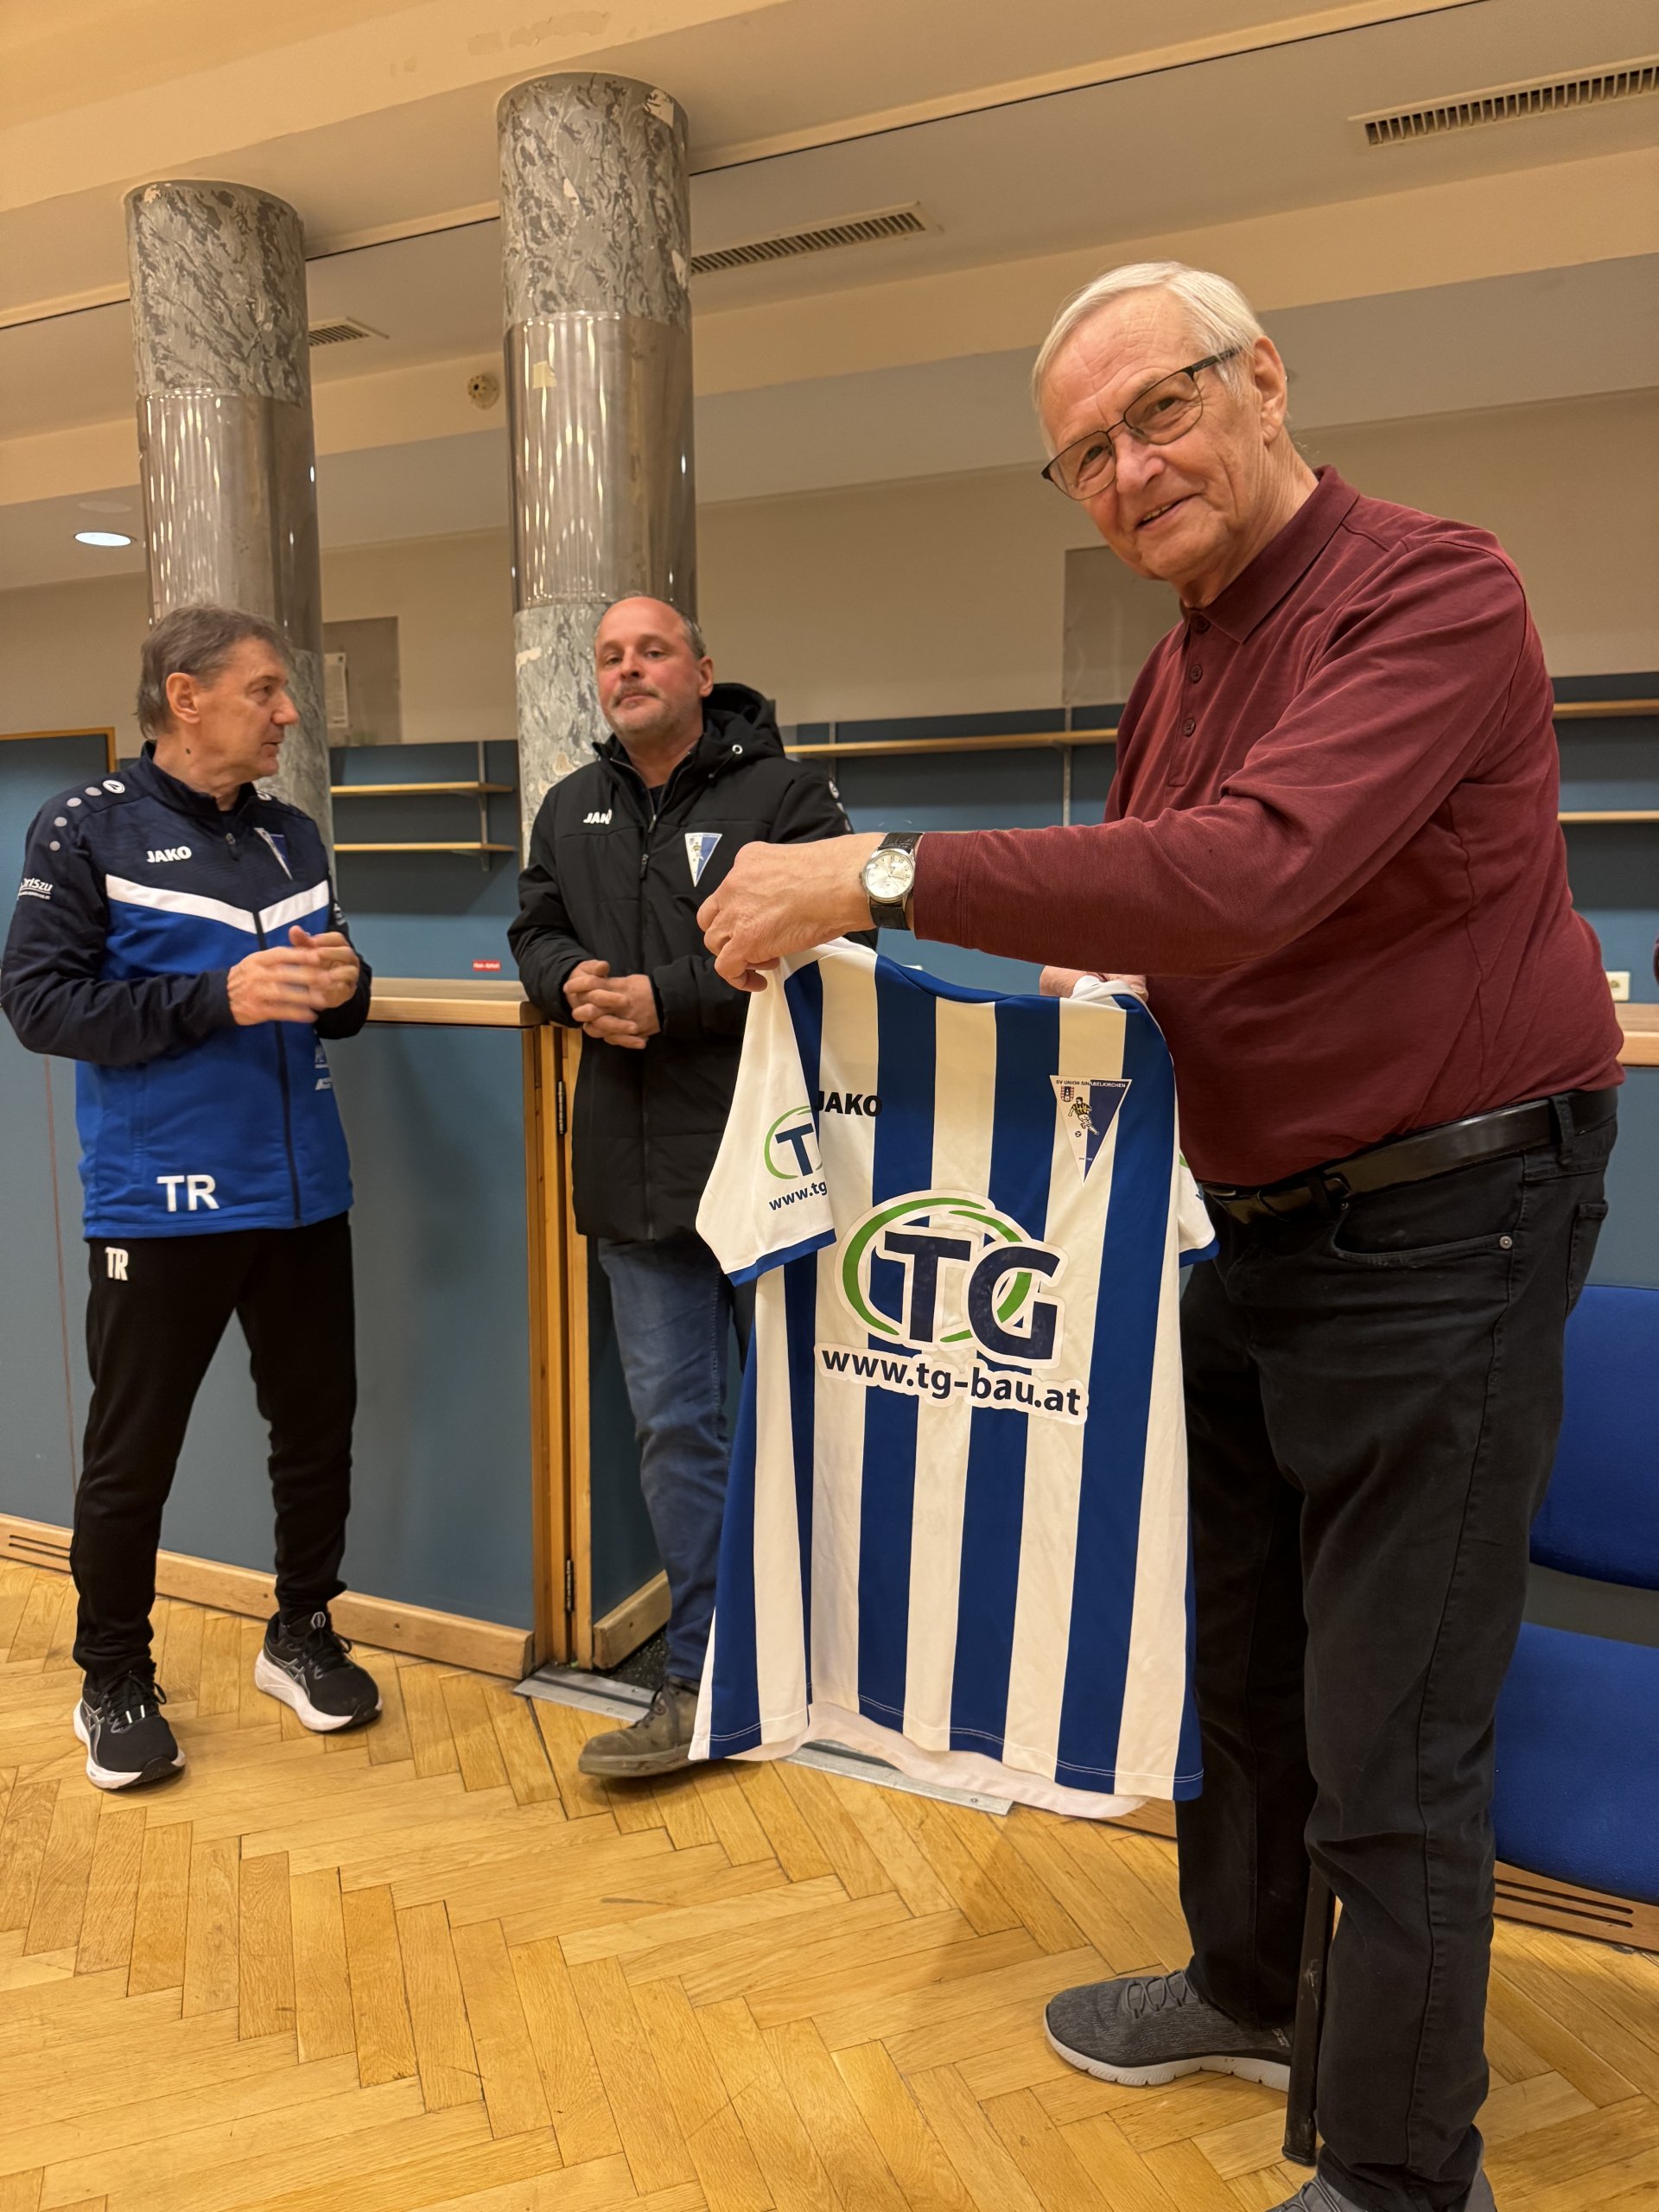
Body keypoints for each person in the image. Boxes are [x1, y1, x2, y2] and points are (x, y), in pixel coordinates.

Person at [696, 263, 1623, 2212]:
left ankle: (1399, 2168)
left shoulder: (1429, 590)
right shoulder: (1183, 667)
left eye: (1160, 412)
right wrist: (1036, 1003)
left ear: (1263, 380)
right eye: (1087, 455)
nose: (1130, 470)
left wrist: (873, 876)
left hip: (1446, 1222)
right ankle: (1251, 1983)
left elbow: (1254, 871)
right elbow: (1157, 925)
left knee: (1393, 1724)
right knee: (1246, 1664)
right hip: (1240, 1225)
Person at [2, 604, 381, 1789]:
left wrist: (348, 983)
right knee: (134, 1455)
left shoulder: (291, 836)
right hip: (160, 1202)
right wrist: (218, 999)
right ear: (186, 697)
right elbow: (40, 1006)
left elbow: (336, 1002)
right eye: (266, 690)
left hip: (305, 1193)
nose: (287, 714)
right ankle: (113, 1675)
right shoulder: (84, 826)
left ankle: (302, 1629)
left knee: (316, 1432)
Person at [510, 595, 856, 1777]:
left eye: (652, 650)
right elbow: (533, 927)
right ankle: (706, 1680)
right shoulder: (572, 805)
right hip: (635, 1174)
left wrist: (673, 999)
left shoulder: (787, 798)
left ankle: (841, 1664)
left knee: (818, 1416)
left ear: (704, 671)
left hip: (779, 1164)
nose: (628, 669)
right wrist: (570, 983)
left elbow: (842, 946)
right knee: (677, 1430)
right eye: (610, 656)